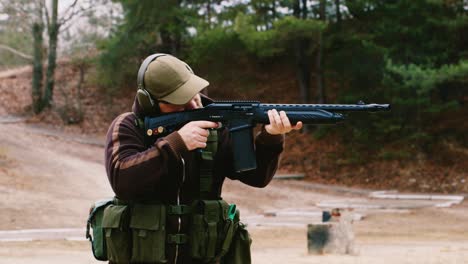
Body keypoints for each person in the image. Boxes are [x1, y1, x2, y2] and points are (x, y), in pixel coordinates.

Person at [103, 53, 302, 264]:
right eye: (178, 99)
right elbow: (122, 179)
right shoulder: (129, 126)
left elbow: (257, 177)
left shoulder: (214, 128)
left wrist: (270, 137)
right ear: (148, 101)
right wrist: (176, 143)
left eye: (191, 93)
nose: (189, 102)